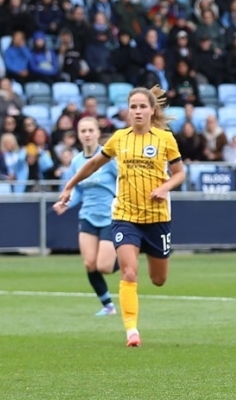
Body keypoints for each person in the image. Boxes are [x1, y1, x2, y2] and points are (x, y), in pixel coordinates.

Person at [57, 86, 186, 348]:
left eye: (142, 107)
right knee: (128, 272)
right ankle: (132, 331)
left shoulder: (165, 140)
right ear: (128, 111)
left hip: (157, 218)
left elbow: (180, 173)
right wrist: (70, 185)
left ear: (151, 110)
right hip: (124, 216)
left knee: (158, 280)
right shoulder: (119, 138)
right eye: (133, 107)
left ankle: (139, 254)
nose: (137, 111)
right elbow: (93, 163)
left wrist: (164, 187)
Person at [53, 116, 120, 317]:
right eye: (83, 131)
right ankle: (108, 305)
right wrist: (66, 204)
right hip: (88, 216)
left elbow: (123, 181)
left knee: (105, 267)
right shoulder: (76, 162)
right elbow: (79, 191)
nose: (88, 134)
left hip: (110, 215)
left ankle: (127, 258)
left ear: (98, 133)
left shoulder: (108, 158)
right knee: (90, 264)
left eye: (91, 130)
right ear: (79, 136)